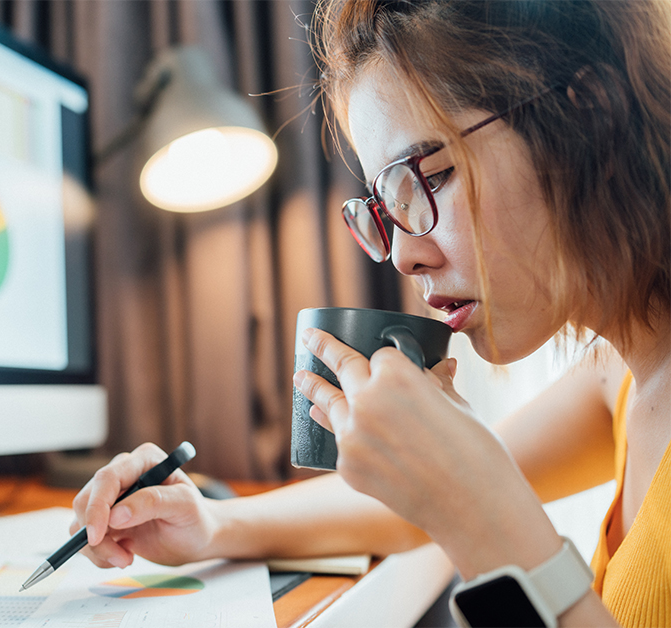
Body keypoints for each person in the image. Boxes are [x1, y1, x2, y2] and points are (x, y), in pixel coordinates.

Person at [70, 1, 671, 625]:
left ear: (588, 114)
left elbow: (470, 497)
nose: (405, 255)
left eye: (431, 177)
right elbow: (400, 510)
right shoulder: (621, 373)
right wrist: (214, 524)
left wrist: (476, 511)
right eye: (387, 207)